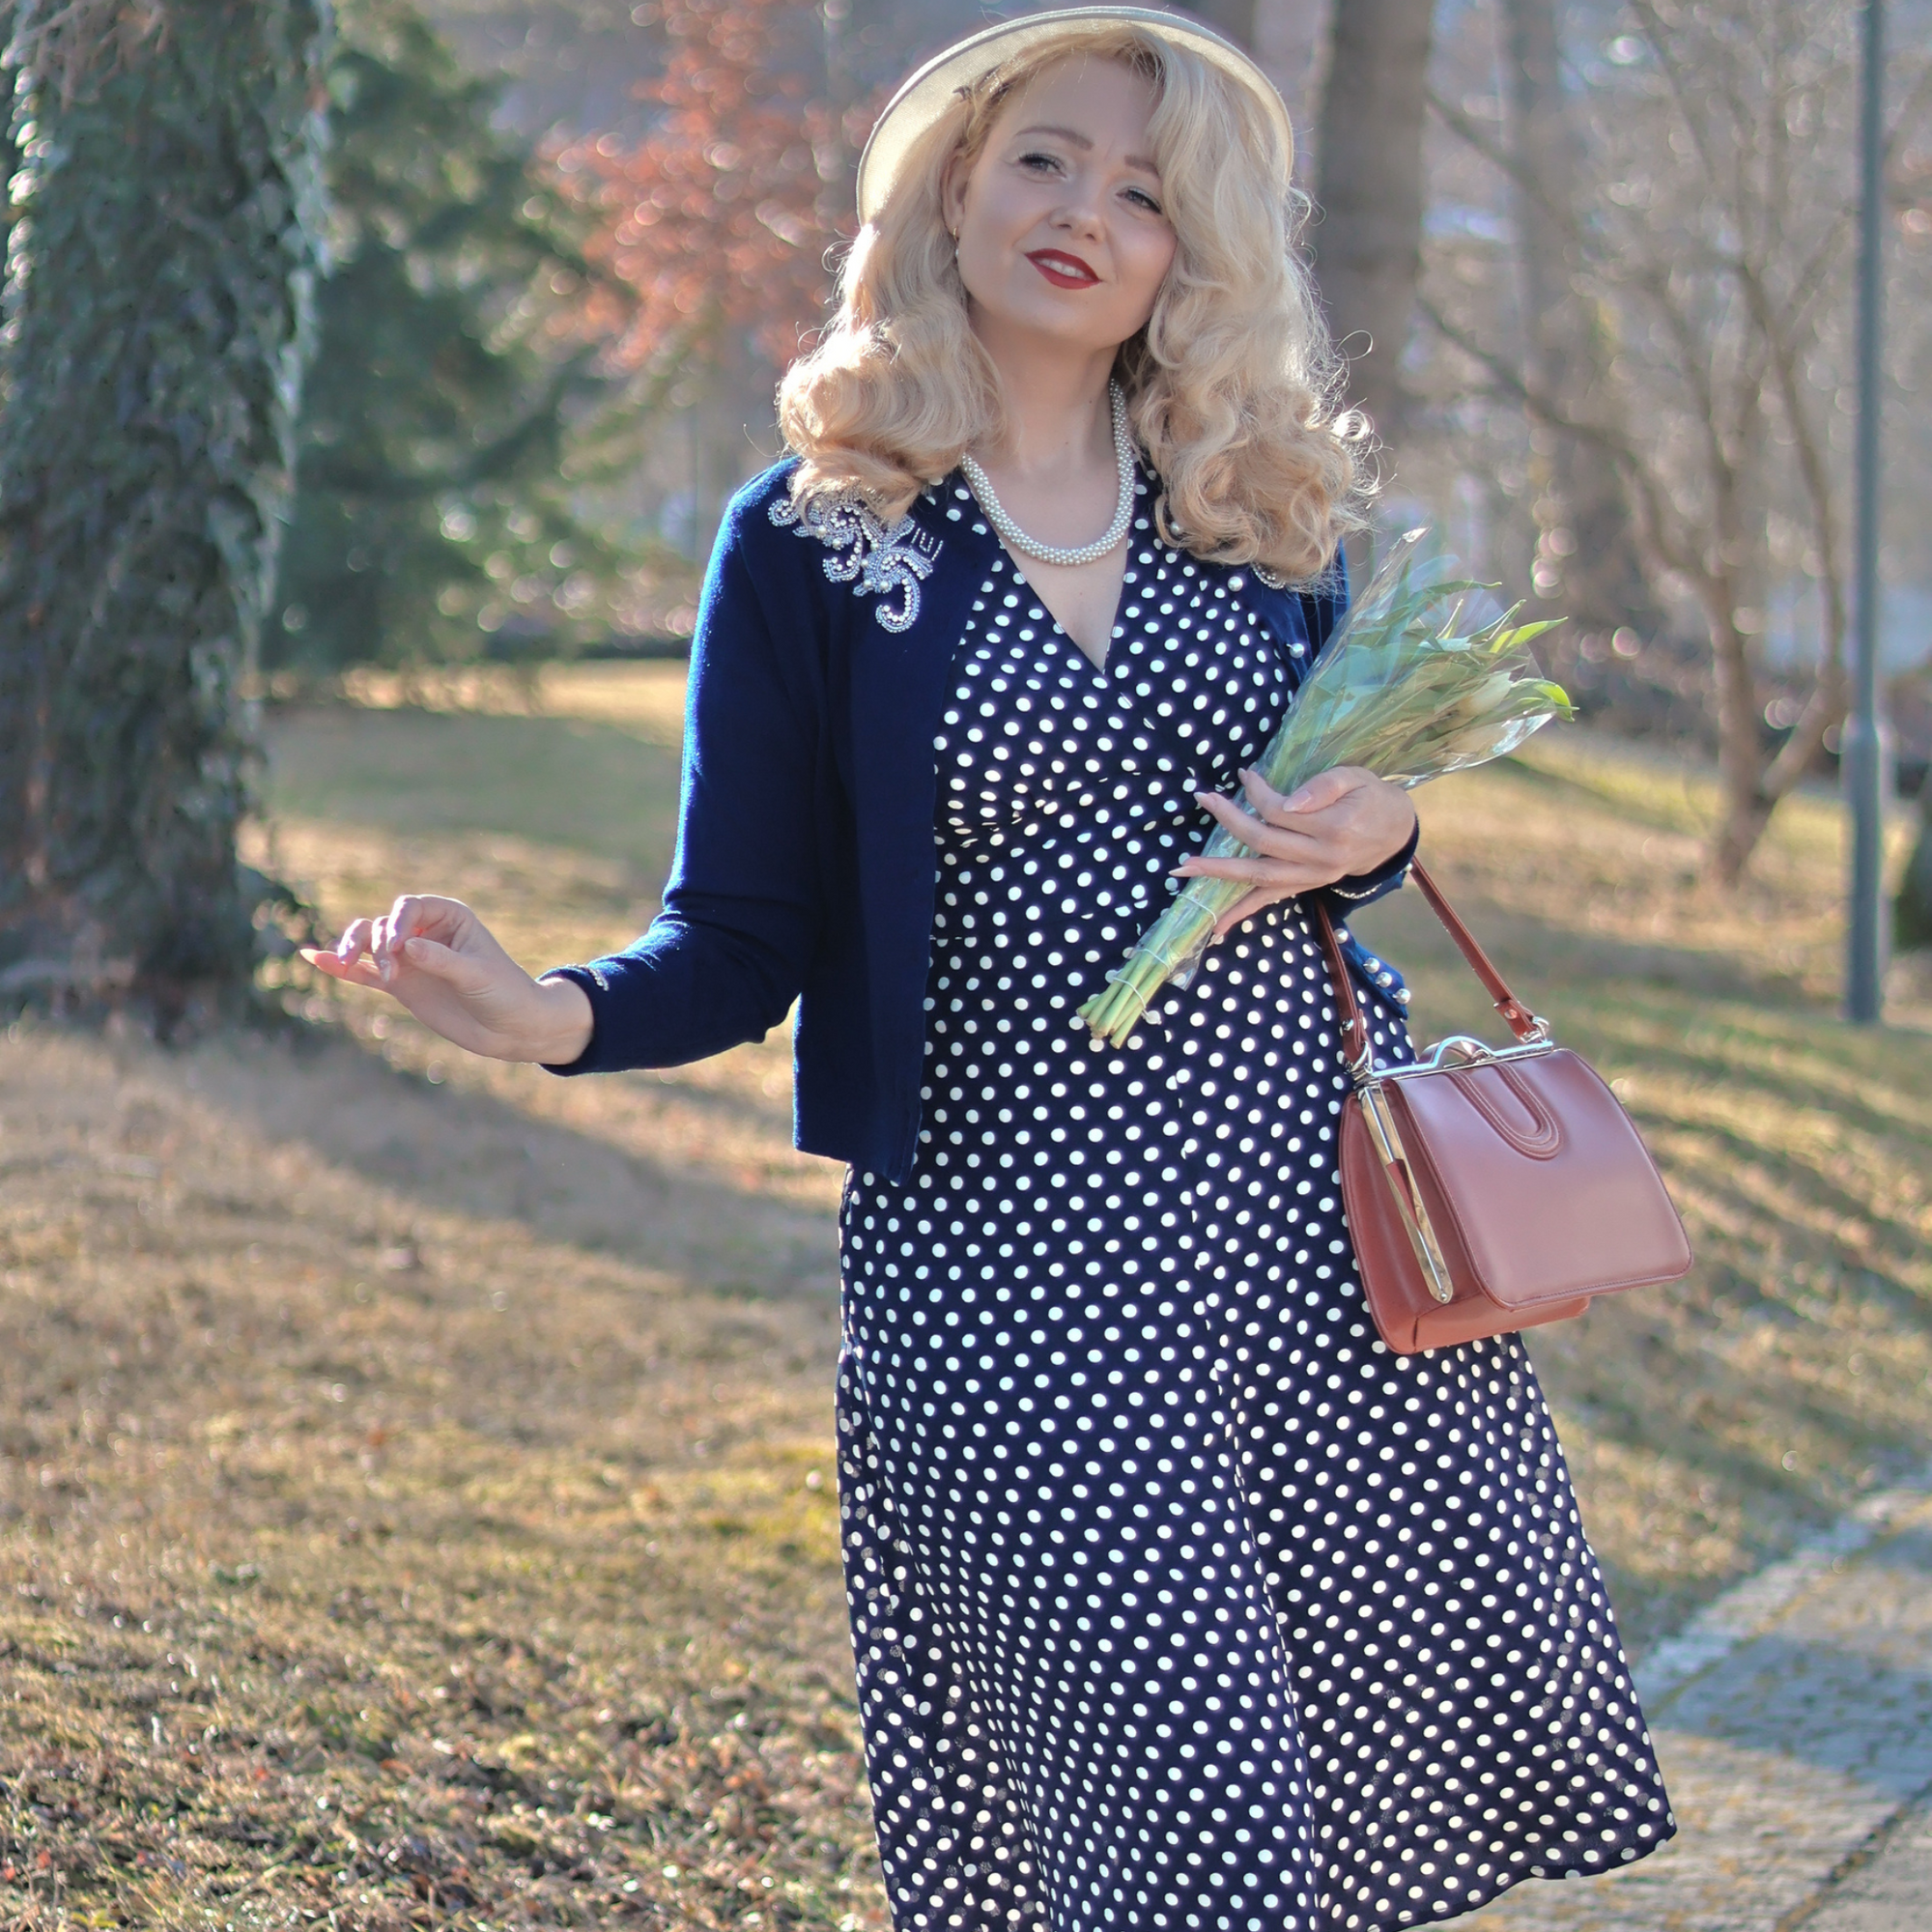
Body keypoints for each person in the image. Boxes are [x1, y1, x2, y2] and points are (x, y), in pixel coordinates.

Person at [305, 11, 1673, 1927]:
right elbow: (744, 934)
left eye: (1142, 191)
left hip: (1303, 1242)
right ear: (952, 188)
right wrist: (552, 1014)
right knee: (1178, 1827)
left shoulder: (1261, 510)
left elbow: (1345, 829)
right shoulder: (812, 537)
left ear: (1188, 253)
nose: (1083, 212)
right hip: (1013, 1279)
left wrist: (1376, 830)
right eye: (1044, 158)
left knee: (1341, 1799)